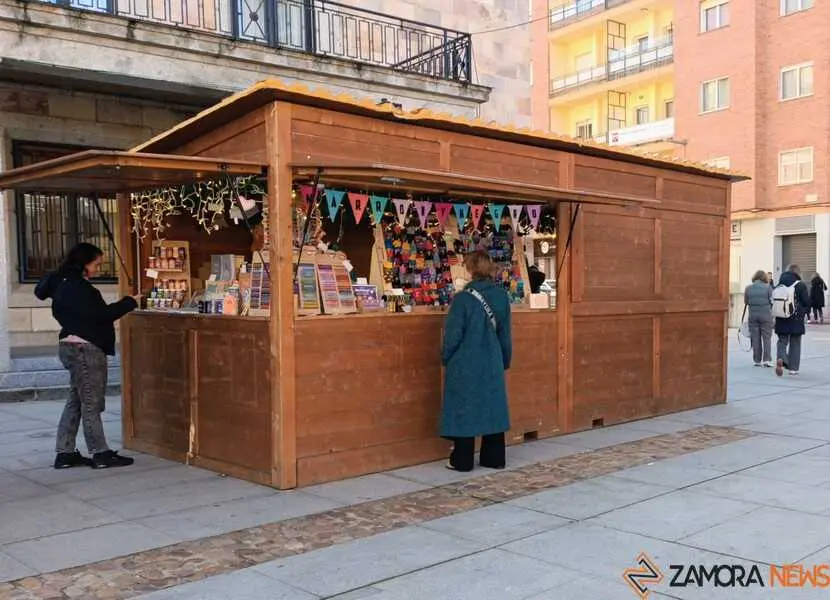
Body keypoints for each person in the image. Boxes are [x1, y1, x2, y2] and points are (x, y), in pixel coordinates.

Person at [35, 243, 139, 469]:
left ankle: (65, 453)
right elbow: (100, 316)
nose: (96, 269)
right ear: (83, 264)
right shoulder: (81, 289)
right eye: (95, 264)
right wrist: (129, 302)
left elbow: (40, 291)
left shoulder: (59, 281)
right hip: (85, 349)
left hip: (70, 346)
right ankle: (99, 453)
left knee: (76, 400)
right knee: (92, 402)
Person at [440, 250, 512, 472]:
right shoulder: (501, 296)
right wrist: (504, 360)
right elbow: (505, 334)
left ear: (470, 270)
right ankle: (494, 457)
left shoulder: (462, 299)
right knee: (492, 408)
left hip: (465, 362)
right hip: (492, 360)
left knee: (464, 409)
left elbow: (453, 334)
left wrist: (445, 356)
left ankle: (461, 459)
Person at [774, 263, 810, 376]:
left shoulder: (779, 284)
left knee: (782, 340)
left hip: (781, 316)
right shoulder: (800, 285)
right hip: (795, 317)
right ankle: (793, 368)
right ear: (797, 272)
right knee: (795, 342)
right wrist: (804, 311)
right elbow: (807, 303)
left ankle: (781, 358)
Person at [744, 270, 773, 367]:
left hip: (753, 315)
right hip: (766, 315)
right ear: (764, 278)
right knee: (766, 338)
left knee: (755, 337)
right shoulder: (768, 287)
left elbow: (746, 301)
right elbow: (771, 301)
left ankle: (757, 360)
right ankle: (767, 360)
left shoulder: (748, 288)